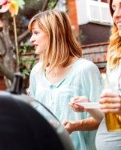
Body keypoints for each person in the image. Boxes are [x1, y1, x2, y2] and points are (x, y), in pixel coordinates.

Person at [28, 10, 103, 150]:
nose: (31, 39)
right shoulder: (36, 72)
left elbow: (104, 118)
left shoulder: (85, 70)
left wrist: (76, 126)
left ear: (53, 33)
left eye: (36, 33)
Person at [70, 0, 121, 149]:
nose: (116, 15)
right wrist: (89, 106)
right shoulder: (115, 54)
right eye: (113, 8)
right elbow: (112, 120)